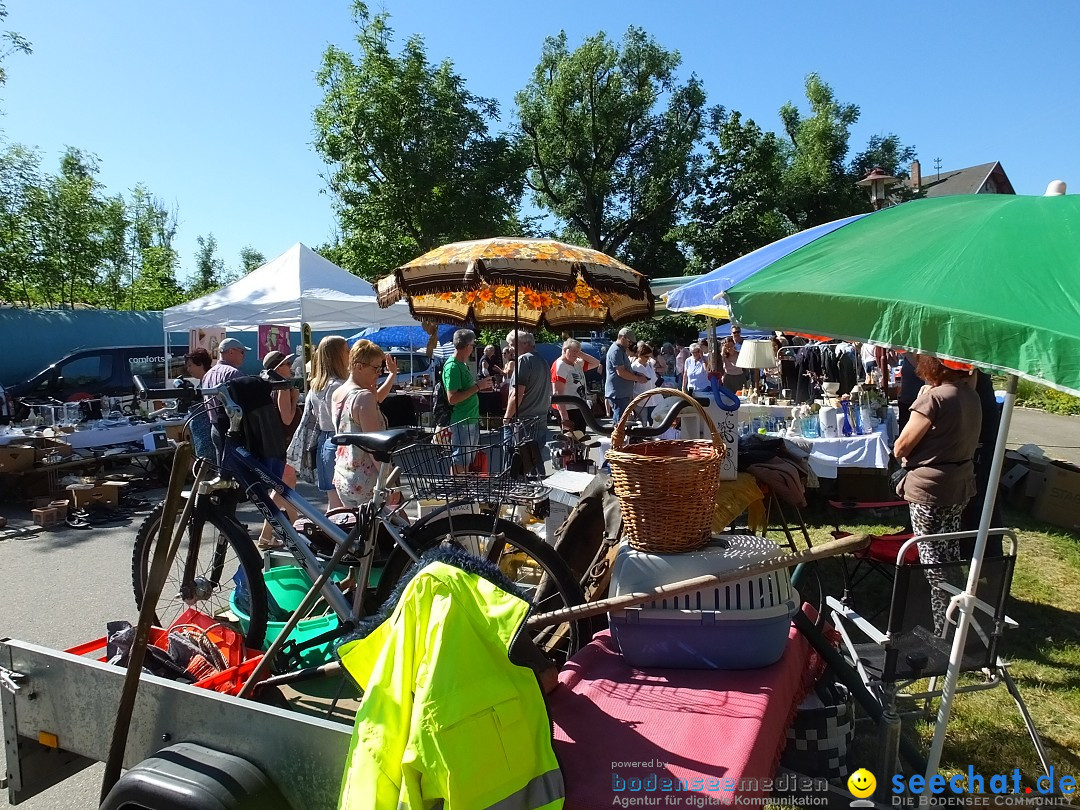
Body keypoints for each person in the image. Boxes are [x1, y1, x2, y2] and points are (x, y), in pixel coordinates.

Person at [893, 355, 982, 633]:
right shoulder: (970, 395)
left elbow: (901, 447)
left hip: (929, 489)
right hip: (960, 483)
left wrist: (921, 402)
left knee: (933, 563)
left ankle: (943, 629)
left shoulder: (934, 399)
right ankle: (958, 620)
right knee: (950, 553)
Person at [333, 340, 389, 508]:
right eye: (376, 368)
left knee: (359, 531)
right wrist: (389, 481)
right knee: (394, 529)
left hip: (343, 475)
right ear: (358, 366)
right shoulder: (363, 397)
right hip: (367, 480)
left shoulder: (338, 392)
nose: (379, 373)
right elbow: (375, 447)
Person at [257, 350, 300, 550]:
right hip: (283, 444)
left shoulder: (270, 385)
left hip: (278, 444)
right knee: (283, 489)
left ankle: (294, 528)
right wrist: (294, 397)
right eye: (286, 364)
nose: (290, 368)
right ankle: (290, 529)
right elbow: (287, 418)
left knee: (285, 489)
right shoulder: (281, 387)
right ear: (278, 367)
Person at [307, 336, 350, 511]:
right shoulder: (338, 385)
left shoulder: (316, 385)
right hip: (339, 441)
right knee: (346, 503)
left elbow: (313, 413)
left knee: (334, 501)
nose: (350, 354)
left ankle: (333, 536)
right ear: (337, 355)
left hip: (324, 442)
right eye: (346, 350)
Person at [444, 329, 493, 473]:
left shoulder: (461, 364)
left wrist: (479, 385)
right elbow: (452, 398)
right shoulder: (453, 366)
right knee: (461, 459)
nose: (474, 348)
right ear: (467, 346)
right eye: (473, 344)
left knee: (466, 459)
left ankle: (462, 490)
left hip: (469, 418)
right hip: (462, 420)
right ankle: (458, 491)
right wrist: (478, 386)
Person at [201, 337, 249, 464]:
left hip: (214, 427)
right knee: (238, 470)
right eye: (242, 352)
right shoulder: (234, 373)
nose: (244, 356)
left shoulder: (208, 374)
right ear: (231, 352)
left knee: (222, 470)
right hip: (233, 429)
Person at [504, 330, 551, 452]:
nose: (510, 349)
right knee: (535, 461)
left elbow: (517, 394)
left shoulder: (524, 360)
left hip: (524, 423)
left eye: (512, 344)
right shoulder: (543, 361)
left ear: (524, 343)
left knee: (516, 462)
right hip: (540, 420)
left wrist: (506, 418)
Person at [551, 338, 601, 432]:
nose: (575, 354)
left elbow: (596, 363)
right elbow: (558, 393)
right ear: (565, 350)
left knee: (581, 436)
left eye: (577, 351)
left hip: (580, 406)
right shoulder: (560, 366)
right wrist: (565, 418)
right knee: (571, 439)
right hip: (568, 408)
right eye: (573, 351)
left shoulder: (577, 363)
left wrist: (581, 354)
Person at [605, 327, 648, 422]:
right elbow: (621, 372)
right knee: (619, 423)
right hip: (618, 394)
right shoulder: (616, 351)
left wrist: (636, 373)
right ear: (622, 338)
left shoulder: (620, 350)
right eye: (629, 341)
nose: (630, 344)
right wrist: (637, 378)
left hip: (622, 394)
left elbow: (626, 369)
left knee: (622, 422)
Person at [181, 348, 214, 461]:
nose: (188, 369)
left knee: (208, 465)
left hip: (208, 436)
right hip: (201, 436)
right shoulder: (202, 382)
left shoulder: (210, 381)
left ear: (200, 364)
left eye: (190, 365)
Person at [631, 342, 659, 423]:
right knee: (643, 422)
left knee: (653, 421)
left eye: (649, 357)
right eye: (646, 356)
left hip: (653, 398)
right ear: (639, 354)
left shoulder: (650, 365)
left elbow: (653, 379)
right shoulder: (634, 366)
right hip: (641, 399)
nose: (648, 359)